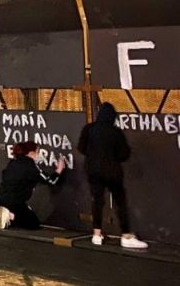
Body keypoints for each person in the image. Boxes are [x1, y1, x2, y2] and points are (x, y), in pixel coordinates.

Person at [78, 101, 148, 249]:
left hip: (93, 170)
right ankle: (126, 235)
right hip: (112, 171)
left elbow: (81, 148)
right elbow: (124, 154)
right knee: (120, 202)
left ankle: (96, 234)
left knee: (97, 201)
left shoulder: (89, 129)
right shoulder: (115, 132)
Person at [0, 142, 64, 230]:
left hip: (2, 199)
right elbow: (50, 181)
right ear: (31, 153)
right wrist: (59, 170)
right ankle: (9, 216)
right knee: (33, 223)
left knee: (18, 219)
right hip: (15, 202)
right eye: (37, 152)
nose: (38, 155)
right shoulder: (30, 166)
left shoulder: (13, 162)